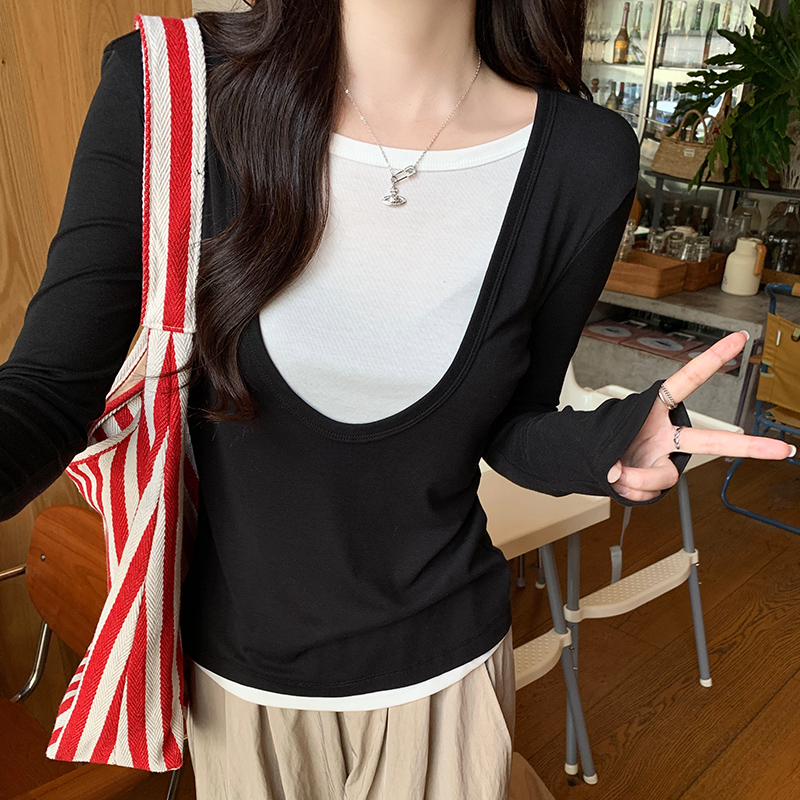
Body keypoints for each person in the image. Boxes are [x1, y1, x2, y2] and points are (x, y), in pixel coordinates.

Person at [0, 0, 794, 798]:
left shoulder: (583, 158)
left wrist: (605, 448)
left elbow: (511, 425)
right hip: (241, 689)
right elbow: (49, 392)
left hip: (447, 677)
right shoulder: (174, 88)